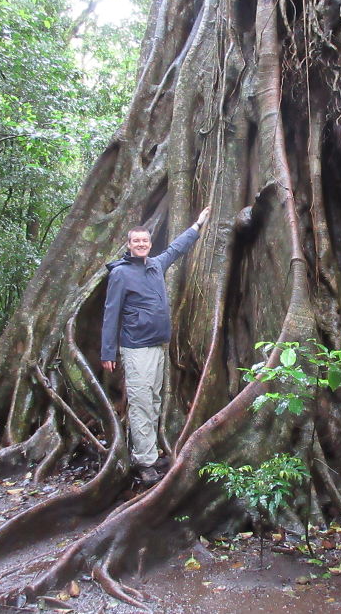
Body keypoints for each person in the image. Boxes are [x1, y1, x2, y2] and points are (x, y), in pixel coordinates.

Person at [101, 207, 211, 485]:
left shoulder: (155, 265)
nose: (141, 244)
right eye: (136, 241)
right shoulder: (121, 273)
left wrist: (197, 225)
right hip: (136, 347)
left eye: (145, 241)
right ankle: (144, 462)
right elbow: (111, 313)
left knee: (154, 401)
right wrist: (108, 352)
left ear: (150, 244)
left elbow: (176, 249)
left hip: (158, 346)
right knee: (141, 403)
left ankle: (147, 451)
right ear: (129, 245)